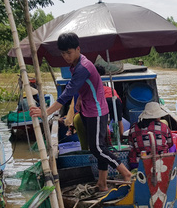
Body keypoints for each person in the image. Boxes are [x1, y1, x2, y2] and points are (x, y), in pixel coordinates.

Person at [29, 32, 132, 191]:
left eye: (69, 53)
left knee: (97, 148)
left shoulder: (83, 66)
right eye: (63, 53)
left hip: (97, 111)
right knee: (100, 147)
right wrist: (79, 99)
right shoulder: (76, 65)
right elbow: (88, 85)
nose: (66, 57)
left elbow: (66, 94)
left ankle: (126, 173)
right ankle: (102, 183)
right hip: (89, 110)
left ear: (78, 49)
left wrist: (45, 112)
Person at [127, 102, 174, 169]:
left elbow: (131, 144)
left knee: (133, 148)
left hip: (139, 162)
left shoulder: (134, 127)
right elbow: (170, 144)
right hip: (162, 162)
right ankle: (171, 164)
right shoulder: (163, 126)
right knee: (173, 147)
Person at [95, 64, 125, 136]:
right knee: (119, 121)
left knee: (104, 121)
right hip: (117, 100)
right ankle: (121, 137)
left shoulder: (99, 88)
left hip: (106, 100)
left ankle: (107, 139)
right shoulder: (110, 89)